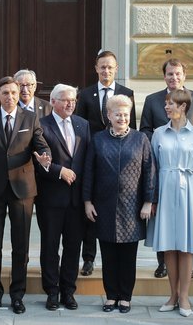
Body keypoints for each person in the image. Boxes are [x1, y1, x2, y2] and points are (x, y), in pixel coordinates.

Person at [0, 76, 51, 315]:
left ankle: (17, 295)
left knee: (21, 246)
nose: (10, 96)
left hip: (22, 189)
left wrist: (44, 155)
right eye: (5, 92)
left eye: (14, 93)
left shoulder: (31, 117)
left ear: (19, 95)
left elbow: (41, 144)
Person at [83, 94, 154, 314]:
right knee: (108, 255)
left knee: (128, 256)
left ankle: (126, 297)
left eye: (125, 114)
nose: (122, 118)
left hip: (133, 207)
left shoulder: (141, 139)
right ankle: (111, 295)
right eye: (117, 114)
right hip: (103, 206)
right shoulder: (98, 139)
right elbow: (89, 172)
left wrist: (148, 202)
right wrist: (87, 201)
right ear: (109, 116)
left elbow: (150, 172)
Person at [140, 58, 193, 279]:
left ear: (184, 75)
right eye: (170, 74)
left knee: (187, 223)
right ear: (164, 76)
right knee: (164, 222)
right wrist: (161, 142)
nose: (174, 78)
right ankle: (163, 264)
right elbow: (145, 130)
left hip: (188, 166)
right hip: (163, 164)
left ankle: (187, 266)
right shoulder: (152, 100)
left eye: (177, 74)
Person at [148, 89, 193, 317]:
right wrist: (151, 199)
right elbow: (152, 170)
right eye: (166, 103)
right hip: (165, 190)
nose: (167, 107)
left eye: (171, 103)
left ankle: (184, 296)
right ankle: (172, 295)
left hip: (189, 192)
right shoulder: (157, 134)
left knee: (186, 247)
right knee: (169, 246)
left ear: (183, 107)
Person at [75, 50, 136, 276]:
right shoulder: (87, 94)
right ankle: (88, 258)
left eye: (110, 67)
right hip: (95, 158)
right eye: (102, 67)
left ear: (116, 69)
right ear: (96, 69)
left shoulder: (126, 93)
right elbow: (79, 126)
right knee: (91, 213)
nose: (106, 71)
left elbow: (133, 129)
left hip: (120, 162)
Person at [35, 84, 90, 311]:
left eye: (73, 100)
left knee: (72, 247)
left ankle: (68, 291)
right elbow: (38, 160)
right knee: (50, 247)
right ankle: (52, 291)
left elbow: (87, 160)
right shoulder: (41, 125)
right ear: (53, 101)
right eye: (66, 100)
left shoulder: (83, 124)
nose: (70, 104)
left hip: (76, 200)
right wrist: (59, 171)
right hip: (51, 199)